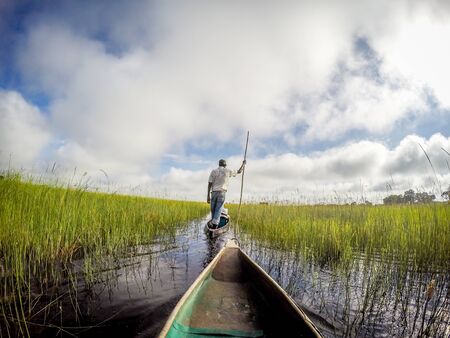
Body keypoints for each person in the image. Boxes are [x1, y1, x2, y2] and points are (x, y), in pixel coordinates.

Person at [207, 159, 246, 228]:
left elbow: (210, 183)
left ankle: (213, 224)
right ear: (225, 165)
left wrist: (208, 196)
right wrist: (243, 164)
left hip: (214, 192)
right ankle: (215, 224)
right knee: (218, 208)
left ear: (219, 164)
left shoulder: (214, 171)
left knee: (213, 209)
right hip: (222, 192)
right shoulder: (228, 170)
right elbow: (239, 171)